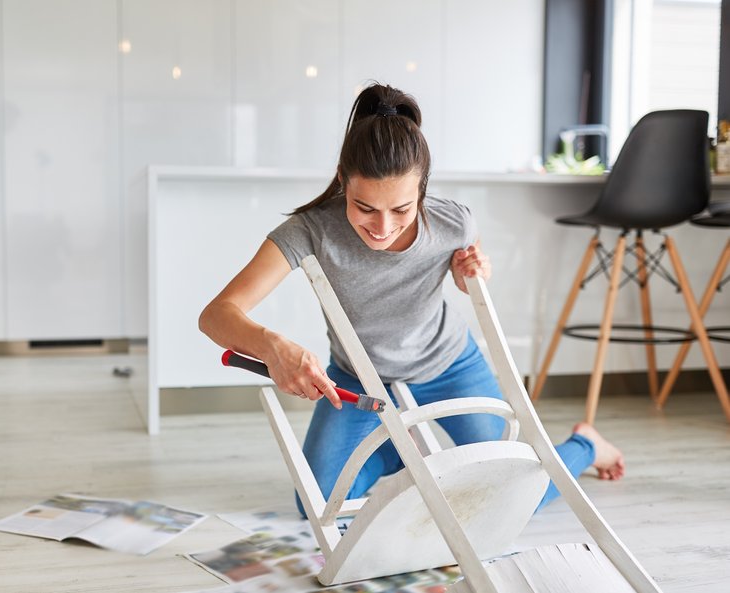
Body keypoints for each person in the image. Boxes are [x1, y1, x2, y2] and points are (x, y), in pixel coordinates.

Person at [198, 83, 625, 518]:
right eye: (364, 207)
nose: (382, 227)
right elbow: (215, 316)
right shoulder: (309, 231)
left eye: (401, 210)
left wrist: (472, 274)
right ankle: (409, 455)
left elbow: (470, 274)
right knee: (317, 503)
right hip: (360, 377)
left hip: (449, 363)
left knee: (510, 492)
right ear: (344, 180)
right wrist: (272, 346)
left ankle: (586, 444)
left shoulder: (453, 221)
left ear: (422, 188)